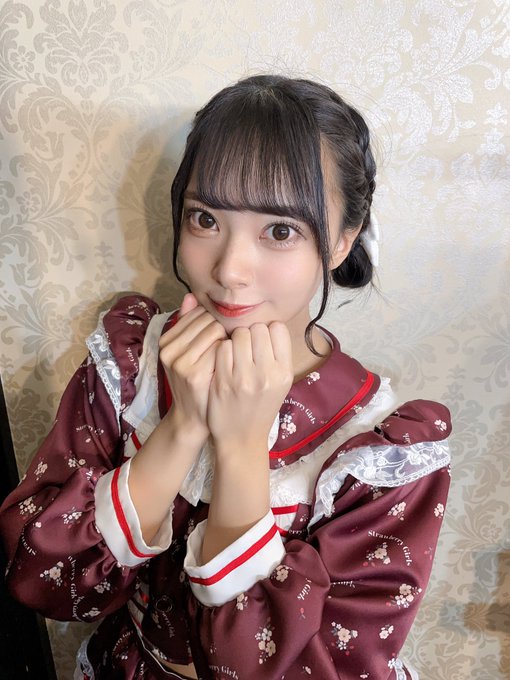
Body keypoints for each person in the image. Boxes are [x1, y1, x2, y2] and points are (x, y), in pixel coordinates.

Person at [0, 75, 451, 680]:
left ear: (342, 242)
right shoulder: (130, 364)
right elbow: (44, 582)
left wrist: (240, 448)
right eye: (205, 219)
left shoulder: (377, 451)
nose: (230, 270)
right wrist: (182, 424)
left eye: (280, 231)